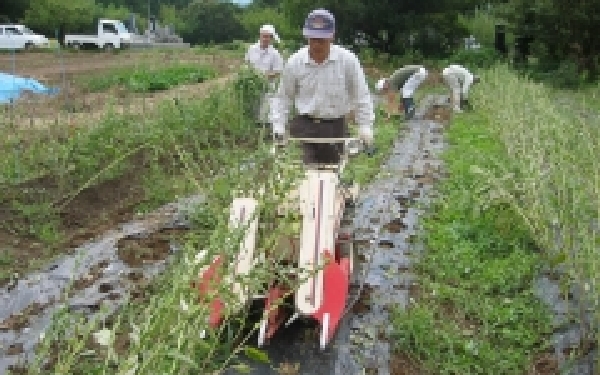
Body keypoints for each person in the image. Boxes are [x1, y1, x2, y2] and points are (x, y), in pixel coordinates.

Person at [270, 9, 374, 165]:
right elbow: (283, 97)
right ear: (306, 36)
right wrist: (278, 126)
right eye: (313, 39)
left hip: (335, 128)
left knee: (333, 177)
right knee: (300, 177)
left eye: (322, 40)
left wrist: (365, 126)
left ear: (332, 36)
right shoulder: (295, 62)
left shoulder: (347, 61)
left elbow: (361, 95)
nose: (317, 44)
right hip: (304, 127)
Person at [244, 24, 285, 125]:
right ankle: (251, 128)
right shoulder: (252, 49)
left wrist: (263, 76)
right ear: (260, 36)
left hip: (267, 86)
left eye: (269, 37)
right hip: (252, 85)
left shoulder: (275, 54)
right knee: (251, 108)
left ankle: (263, 130)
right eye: (264, 36)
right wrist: (248, 73)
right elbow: (247, 63)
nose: (266, 39)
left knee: (264, 111)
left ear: (271, 38)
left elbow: (278, 71)